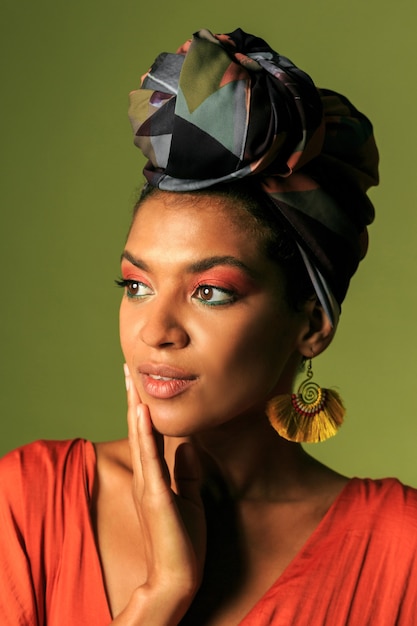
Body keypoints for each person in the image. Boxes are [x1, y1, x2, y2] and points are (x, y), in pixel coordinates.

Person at [1, 27, 417, 626]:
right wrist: (161, 597)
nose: (156, 330)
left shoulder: (398, 555)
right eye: (137, 285)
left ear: (313, 324)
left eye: (210, 292)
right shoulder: (27, 505)